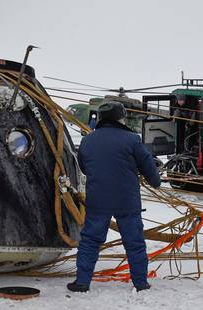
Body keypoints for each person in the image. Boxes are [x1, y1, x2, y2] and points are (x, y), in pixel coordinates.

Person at [67, 101, 161, 293]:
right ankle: (141, 283)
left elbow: (84, 167)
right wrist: (156, 182)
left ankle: (82, 282)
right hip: (126, 200)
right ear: (120, 118)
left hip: (98, 200)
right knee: (134, 242)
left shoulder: (88, 140)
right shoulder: (132, 139)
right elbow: (147, 166)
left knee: (90, 241)